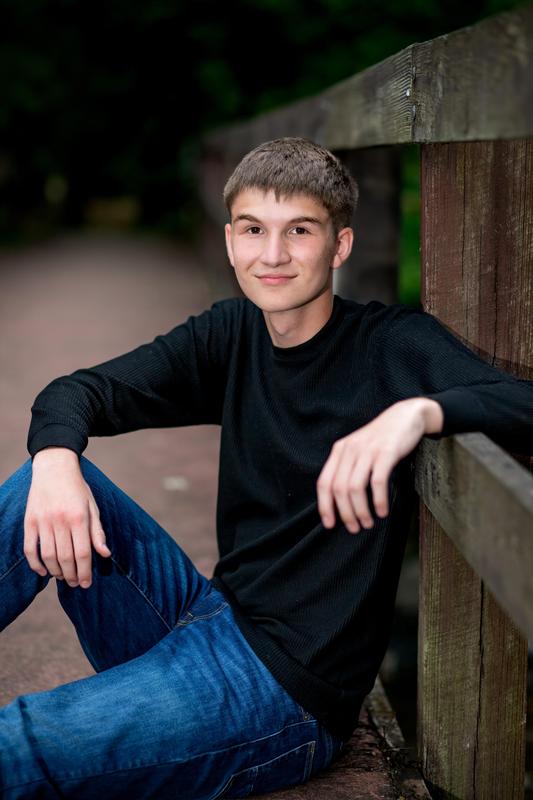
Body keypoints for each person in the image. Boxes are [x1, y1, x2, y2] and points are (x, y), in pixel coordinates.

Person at [1, 136, 532, 799]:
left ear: (338, 246)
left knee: (18, 743)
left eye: (299, 231)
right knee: (35, 487)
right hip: (205, 616)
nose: (272, 255)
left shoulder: (389, 345)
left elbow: (523, 403)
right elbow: (75, 392)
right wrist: (55, 462)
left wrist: (418, 412)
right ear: (230, 241)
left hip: (284, 694)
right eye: (254, 229)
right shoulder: (231, 334)